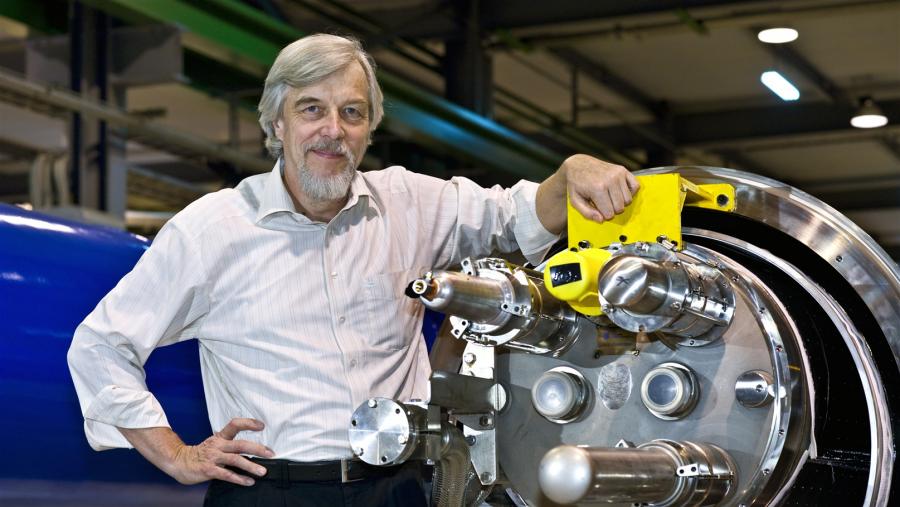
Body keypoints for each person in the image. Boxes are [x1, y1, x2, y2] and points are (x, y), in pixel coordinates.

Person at [67, 33, 639, 506]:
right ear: (277, 124)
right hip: (272, 491)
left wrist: (571, 171)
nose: (333, 130)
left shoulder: (409, 204)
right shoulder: (212, 229)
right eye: (311, 109)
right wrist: (176, 455)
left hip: (401, 487)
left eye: (352, 113)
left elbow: (514, 213)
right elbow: (100, 345)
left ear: (369, 128)